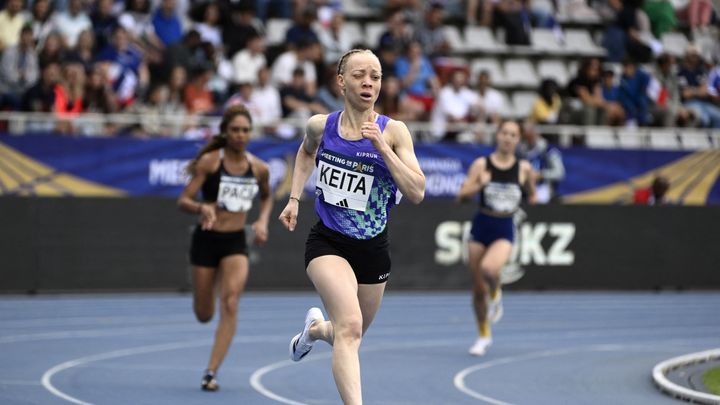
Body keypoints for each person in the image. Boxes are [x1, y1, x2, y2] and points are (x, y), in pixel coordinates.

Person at [278, 48, 425, 405]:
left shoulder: (394, 132)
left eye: (375, 76)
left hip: (373, 248)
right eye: (360, 75)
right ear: (341, 81)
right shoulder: (320, 125)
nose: (369, 82)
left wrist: (382, 149)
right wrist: (295, 198)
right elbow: (305, 152)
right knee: (351, 327)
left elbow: (417, 191)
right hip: (328, 242)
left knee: (349, 332)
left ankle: (312, 331)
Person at [177, 105, 272, 391]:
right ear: (225, 133)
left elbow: (267, 198)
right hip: (206, 241)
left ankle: (211, 371)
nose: (241, 135)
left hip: (234, 242)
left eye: (245, 130)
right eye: (235, 130)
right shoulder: (209, 162)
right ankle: (207, 289)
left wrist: (263, 221)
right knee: (204, 314)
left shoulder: (258, 168)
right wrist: (201, 207)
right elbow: (183, 200)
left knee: (230, 302)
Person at [457, 120, 536, 356]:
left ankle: (497, 294)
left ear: (518, 139)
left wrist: (531, 198)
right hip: (482, 225)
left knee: (490, 269)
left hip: (504, 226)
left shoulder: (523, 168)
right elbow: (460, 195)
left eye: (513, 134)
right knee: (477, 288)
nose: (508, 138)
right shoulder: (482, 164)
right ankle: (483, 335)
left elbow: (532, 193)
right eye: (504, 133)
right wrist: (478, 185)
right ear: (498, 135)